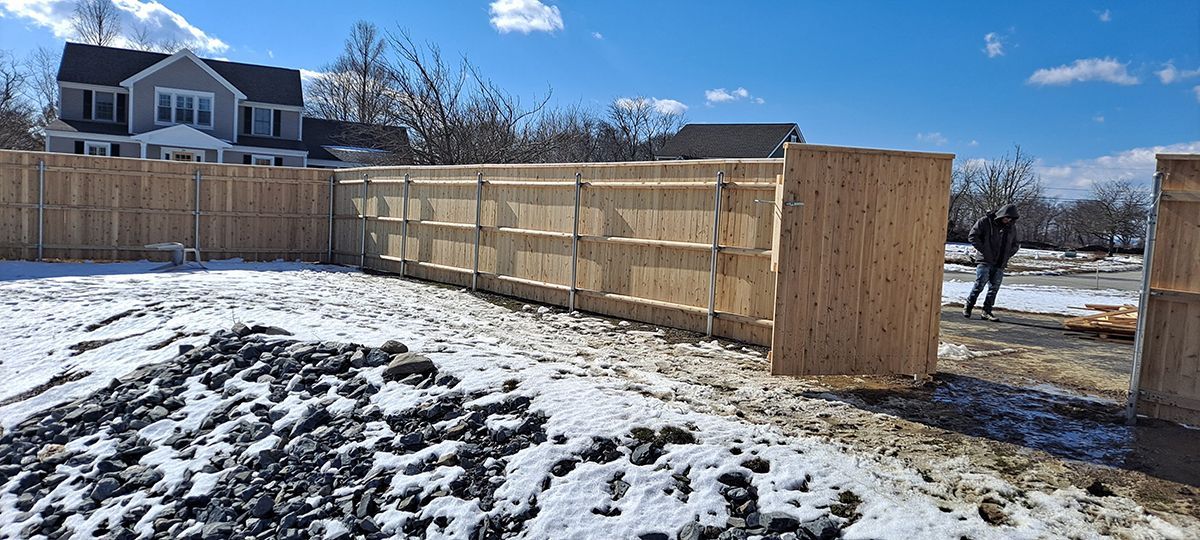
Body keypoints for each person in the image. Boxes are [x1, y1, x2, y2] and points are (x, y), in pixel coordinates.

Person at [963, 204, 1020, 321]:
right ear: (1001, 214)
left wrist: (1008, 253)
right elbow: (973, 236)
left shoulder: (1011, 227)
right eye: (1006, 217)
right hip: (985, 260)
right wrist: (984, 250)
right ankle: (969, 306)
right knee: (980, 284)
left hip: (1000, 262)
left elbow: (1015, 243)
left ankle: (987, 311)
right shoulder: (985, 221)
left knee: (994, 288)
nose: (1007, 220)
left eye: (1010, 218)